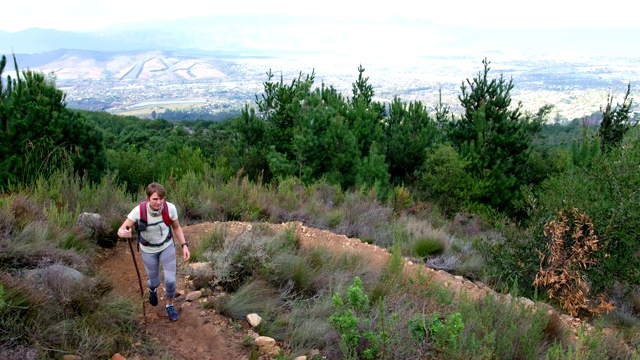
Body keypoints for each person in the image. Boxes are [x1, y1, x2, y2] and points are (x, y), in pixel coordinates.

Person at [117, 182, 190, 321]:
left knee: (170, 280)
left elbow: (176, 227)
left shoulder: (170, 208)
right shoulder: (139, 211)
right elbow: (121, 229)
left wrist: (184, 245)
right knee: (154, 281)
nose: (158, 202)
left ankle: (169, 305)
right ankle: (152, 289)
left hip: (166, 246)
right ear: (148, 198)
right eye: (155, 199)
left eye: (161, 198)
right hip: (148, 250)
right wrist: (123, 233)